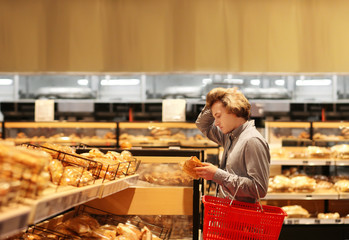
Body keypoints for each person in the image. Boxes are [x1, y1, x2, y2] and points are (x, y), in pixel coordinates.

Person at [195, 87, 270, 203]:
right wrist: (215, 101)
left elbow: (259, 189)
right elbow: (202, 124)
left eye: (218, 116)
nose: (216, 122)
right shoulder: (229, 136)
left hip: (241, 219)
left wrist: (217, 174)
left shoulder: (252, 140)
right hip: (227, 216)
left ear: (234, 110)